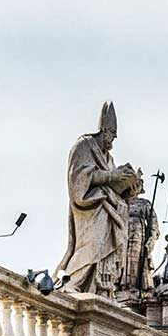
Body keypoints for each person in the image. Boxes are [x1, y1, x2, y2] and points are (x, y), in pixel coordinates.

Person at [58, 102, 143, 296]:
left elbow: (115, 187)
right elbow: (79, 178)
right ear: (104, 130)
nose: (113, 139)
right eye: (112, 134)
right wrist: (111, 176)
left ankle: (100, 288)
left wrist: (130, 188)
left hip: (109, 208)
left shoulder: (109, 158)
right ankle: (72, 282)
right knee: (91, 245)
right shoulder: (83, 146)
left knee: (105, 249)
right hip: (92, 207)